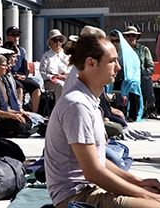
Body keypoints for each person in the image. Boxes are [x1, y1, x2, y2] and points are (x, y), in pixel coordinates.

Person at [45, 34, 160, 207]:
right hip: (76, 197)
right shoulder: (77, 104)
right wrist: (144, 195)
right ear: (91, 63)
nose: (118, 67)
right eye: (112, 61)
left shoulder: (89, 99)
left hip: (90, 190)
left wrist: (139, 182)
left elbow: (98, 159)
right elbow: (93, 172)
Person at [0, 54, 32, 137]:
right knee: (19, 125)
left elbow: (4, 108)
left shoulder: (2, 81)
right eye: (4, 65)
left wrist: (18, 113)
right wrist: (11, 115)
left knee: (27, 120)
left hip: (2, 116)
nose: (7, 68)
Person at [108, 29, 144, 122]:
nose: (115, 43)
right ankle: (107, 112)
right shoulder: (107, 52)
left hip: (127, 79)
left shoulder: (130, 53)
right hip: (111, 78)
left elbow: (134, 69)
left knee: (134, 85)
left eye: (117, 41)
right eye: (112, 41)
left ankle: (133, 115)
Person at [123, 26, 157, 119]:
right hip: (126, 77)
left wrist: (143, 71)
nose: (131, 38)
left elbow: (151, 67)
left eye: (133, 35)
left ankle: (152, 107)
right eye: (128, 35)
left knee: (146, 80)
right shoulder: (121, 51)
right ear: (124, 37)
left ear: (137, 37)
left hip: (141, 76)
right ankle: (119, 107)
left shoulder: (143, 49)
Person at [6, 26, 41, 113]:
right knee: (19, 87)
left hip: (22, 76)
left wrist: (24, 76)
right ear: (8, 36)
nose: (16, 37)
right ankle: (18, 111)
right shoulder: (5, 49)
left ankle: (34, 112)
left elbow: (27, 67)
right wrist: (13, 75)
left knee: (36, 86)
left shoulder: (22, 50)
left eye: (17, 35)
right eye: (13, 35)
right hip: (10, 77)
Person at [39, 29, 72, 102]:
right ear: (50, 42)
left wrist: (67, 76)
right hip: (51, 81)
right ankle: (59, 109)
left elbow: (71, 69)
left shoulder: (67, 55)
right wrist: (55, 76)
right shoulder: (46, 56)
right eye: (55, 40)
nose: (58, 43)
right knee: (61, 85)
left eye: (60, 40)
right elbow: (43, 73)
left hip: (66, 78)